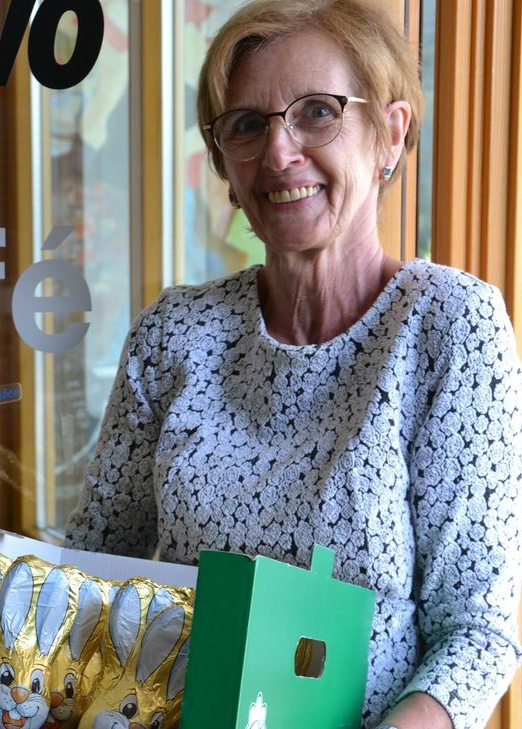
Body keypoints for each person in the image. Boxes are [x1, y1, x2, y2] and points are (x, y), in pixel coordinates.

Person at [63, 1, 522, 727]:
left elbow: (476, 633)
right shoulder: (173, 332)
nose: (279, 153)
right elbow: (89, 571)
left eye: (316, 112)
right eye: (246, 125)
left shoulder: (446, 327)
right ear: (223, 162)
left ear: (390, 133)